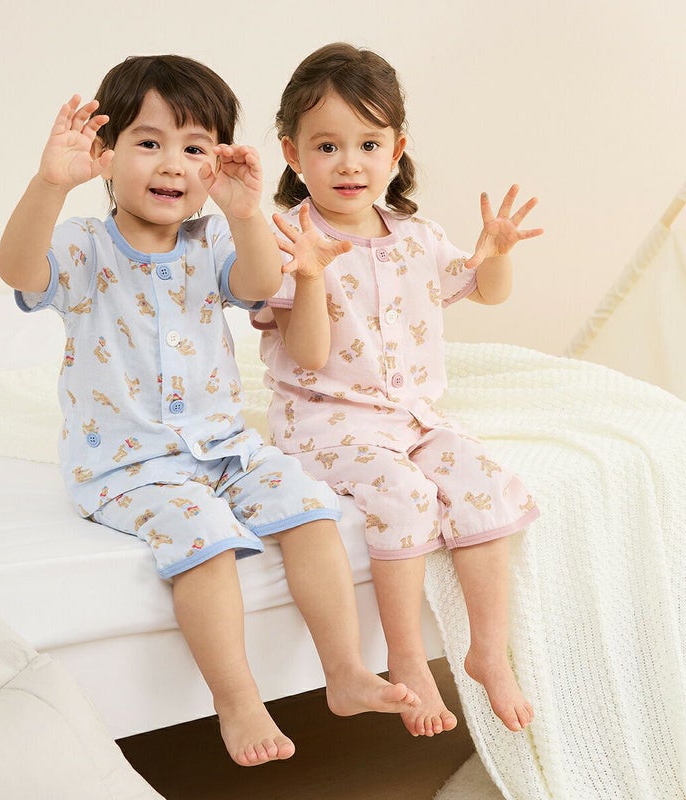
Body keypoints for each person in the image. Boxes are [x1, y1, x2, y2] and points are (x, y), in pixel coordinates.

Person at [0, 53, 419, 767]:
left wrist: (246, 211)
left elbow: (258, 284)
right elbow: (18, 270)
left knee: (311, 509)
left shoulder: (212, 239)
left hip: (225, 447)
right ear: (105, 154)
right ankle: (238, 699)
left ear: (216, 163)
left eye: (195, 148)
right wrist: (49, 184)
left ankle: (346, 671)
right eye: (148, 142)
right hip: (131, 466)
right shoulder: (82, 245)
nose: (172, 164)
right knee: (206, 537)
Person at [253, 42, 543, 737]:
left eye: (368, 144)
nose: (349, 163)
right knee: (405, 495)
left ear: (396, 150)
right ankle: (407, 658)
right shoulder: (288, 241)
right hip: (327, 420)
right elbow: (305, 350)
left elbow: (485, 291)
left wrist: (497, 253)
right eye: (327, 146)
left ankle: (487, 651)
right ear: (293, 154)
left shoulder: (417, 236)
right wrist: (311, 274)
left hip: (410, 415)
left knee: (482, 481)